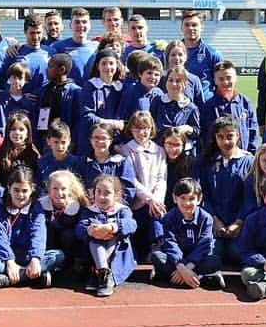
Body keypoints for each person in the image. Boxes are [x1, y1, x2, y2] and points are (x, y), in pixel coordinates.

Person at [0, 167, 61, 290]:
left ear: (32, 189)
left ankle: (6, 280)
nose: (20, 195)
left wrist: (35, 258)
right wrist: (9, 261)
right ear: (9, 188)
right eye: (16, 190)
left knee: (58, 255)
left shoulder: (36, 207)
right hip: (3, 257)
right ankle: (33, 278)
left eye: (25, 191)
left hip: (27, 255)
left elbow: (38, 234)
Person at [195, 116, 255, 266]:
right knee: (212, 253)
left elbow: (250, 197)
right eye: (220, 137)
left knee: (237, 254)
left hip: (240, 224)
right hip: (214, 223)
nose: (225, 141)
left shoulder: (249, 162)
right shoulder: (206, 161)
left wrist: (239, 223)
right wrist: (214, 220)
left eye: (230, 136)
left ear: (238, 136)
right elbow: (202, 194)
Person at [150, 178, 224, 290]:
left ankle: (172, 276)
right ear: (175, 198)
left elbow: (204, 246)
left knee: (215, 261)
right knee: (156, 256)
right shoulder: (169, 218)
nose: (187, 203)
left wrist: (187, 268)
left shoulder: (206, 218)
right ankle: (200, 278)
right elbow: (170, 244)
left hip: (197, 260)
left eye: (191, 199)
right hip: (176, 258)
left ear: (199, 199)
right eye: (182, 198)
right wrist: (181, 267)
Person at [117, 111, 168, 259]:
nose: (142, 132)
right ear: (131, 130)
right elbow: (132, 180)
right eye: (137, 128)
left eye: (145, 128)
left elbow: (161, 178)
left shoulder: (159, 151)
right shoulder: (126, 150)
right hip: (137, 203)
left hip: (154, 203)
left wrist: (156, 200)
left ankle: (157, 249)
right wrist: (149, 199)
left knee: (158, 217)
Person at [77, 174, 137, 297]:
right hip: (92, 255)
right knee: (95, 242)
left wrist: (111, 228)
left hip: (116, 252)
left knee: (112, 239)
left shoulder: (123, 210)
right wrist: (90, 230)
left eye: (107, 193)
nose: (101, 196)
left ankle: (101, 274)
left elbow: (131, 224)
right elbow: (79, 228)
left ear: (117, 195)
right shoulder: (89, 211)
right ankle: (103, 273)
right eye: (98, 191)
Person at [201, 60, 259, 153]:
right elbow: (206, 137)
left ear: (236, 78)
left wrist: (252, 154)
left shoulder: (245, 102)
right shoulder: (209, 106)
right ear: (215, 80)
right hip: (218, 161)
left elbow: (253, 131)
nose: (226, 82)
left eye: (229, 78)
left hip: (244, 159)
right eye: (221, 79)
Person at [78, 49, 127, 153]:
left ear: (117, 65)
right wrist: (113, 124)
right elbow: (87, 116)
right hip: (92, 141)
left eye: (111, 63)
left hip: (114, 141)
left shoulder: (121, 87)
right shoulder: (90, 86)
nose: (108, 67)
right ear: (97, 66)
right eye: (104, 63)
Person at [151, 67, 201, 156]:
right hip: (159, 151)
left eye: (178, 81)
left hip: (181, 153)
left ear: (185, 84)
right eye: (170, 80)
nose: (174, 84)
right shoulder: (157, 101)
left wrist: (187, 128)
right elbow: (151, 124)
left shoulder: (191, 107)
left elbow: (197, 132)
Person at [36, 53, 82, 151]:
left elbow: (79, 120)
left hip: (65, 143)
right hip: (46, 141)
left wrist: (72, 141)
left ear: (62, 70)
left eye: (50, 67)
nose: (46, 70)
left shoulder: (75, 92)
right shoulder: (44, 90)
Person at [0, 13, 51, 99]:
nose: (36, 37)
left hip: (44, 105)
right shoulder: (15, 53)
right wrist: (19, 96)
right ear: (25, 32)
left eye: (39, 33)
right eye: (32, 33)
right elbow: (3, 82)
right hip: (21, 106)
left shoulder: (51, 52)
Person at [179, 10, 223, 100]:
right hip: (178, 106)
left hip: (205, 106)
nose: (191, 28)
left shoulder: (212, 54)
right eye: (187, 25)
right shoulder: (172, 52)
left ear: (202, 27)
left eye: (194, 25)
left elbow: (222, 83)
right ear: (181, 28)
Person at [50, 8, 97, 84]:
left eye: (84, 22)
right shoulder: (58, 47)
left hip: (89, 93)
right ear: (70, 25)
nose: (81, 25)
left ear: (90, 25)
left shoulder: (96, 47)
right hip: (68, 93)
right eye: (77, 22)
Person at [37, 120, 85, 187]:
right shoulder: (42, 162)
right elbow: (39, 186)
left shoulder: (77, 162)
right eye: (56, 142)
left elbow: (79, 187)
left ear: (69, 141)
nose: (60, 146)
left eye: (63, 142)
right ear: (48, 141)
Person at [0, 112, 40, 182]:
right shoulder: (2, 153)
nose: (17, 132)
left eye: (21, 130)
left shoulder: (33, 153)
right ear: (8, 132)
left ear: (27, 133)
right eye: (13, 129)